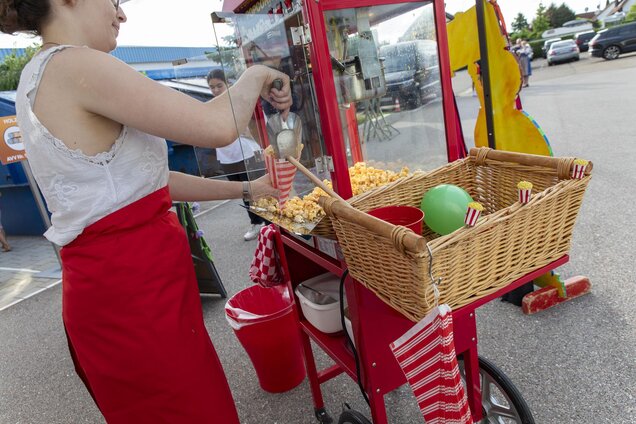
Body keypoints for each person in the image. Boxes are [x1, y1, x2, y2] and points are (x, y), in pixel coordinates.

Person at [0, 1, 291, 423]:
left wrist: (247, 188)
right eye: (114, 0)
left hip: (121, 288)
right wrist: (259, 73)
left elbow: (149, 181)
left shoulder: (36, 73)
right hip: (134, 293)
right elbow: (217, 125)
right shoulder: (76, 64)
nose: (121, 14)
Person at [206, 69, 266, 241]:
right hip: (227, 156)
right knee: (244, 192)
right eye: (212, 87)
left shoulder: (238, 103)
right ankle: (255, 223)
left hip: (246, 153)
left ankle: (268, 222)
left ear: (228, 84)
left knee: (257, 189)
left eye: (219, 86)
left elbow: (251, 127)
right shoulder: (211, 107)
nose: (216, 90)